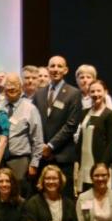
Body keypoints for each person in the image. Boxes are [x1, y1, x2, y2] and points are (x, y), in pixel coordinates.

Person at [32, 56, 82, 196]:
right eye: (52, 66)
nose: (55, 69)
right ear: (48, 69)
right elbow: (34, 123)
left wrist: (51, 146)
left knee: (64, 197)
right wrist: (41, 146)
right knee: (41, 197)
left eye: (59, 66)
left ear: (66, 70)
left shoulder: (74, 93)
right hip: (41, 156)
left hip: (62, 156)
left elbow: (71, 125)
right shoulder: (39, 94)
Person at [1, 73, 43, 195]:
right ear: (4, 89)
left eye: (15, 84)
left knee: (20, 195)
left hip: (20, 161)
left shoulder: (30, 108)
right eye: (8, 84)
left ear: (21, 87)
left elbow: (37, 139)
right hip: (0, 160)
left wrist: (34, 163)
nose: (11, 88)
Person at [76, 80, 112, 193]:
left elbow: (111, 143)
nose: (95, 94)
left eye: (99, 91)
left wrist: (103, 165)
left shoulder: (109, 114)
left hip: (99, 162)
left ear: (105, 92)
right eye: (92, 91)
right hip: (84, 162)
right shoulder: (84, 112)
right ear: (89, 94)